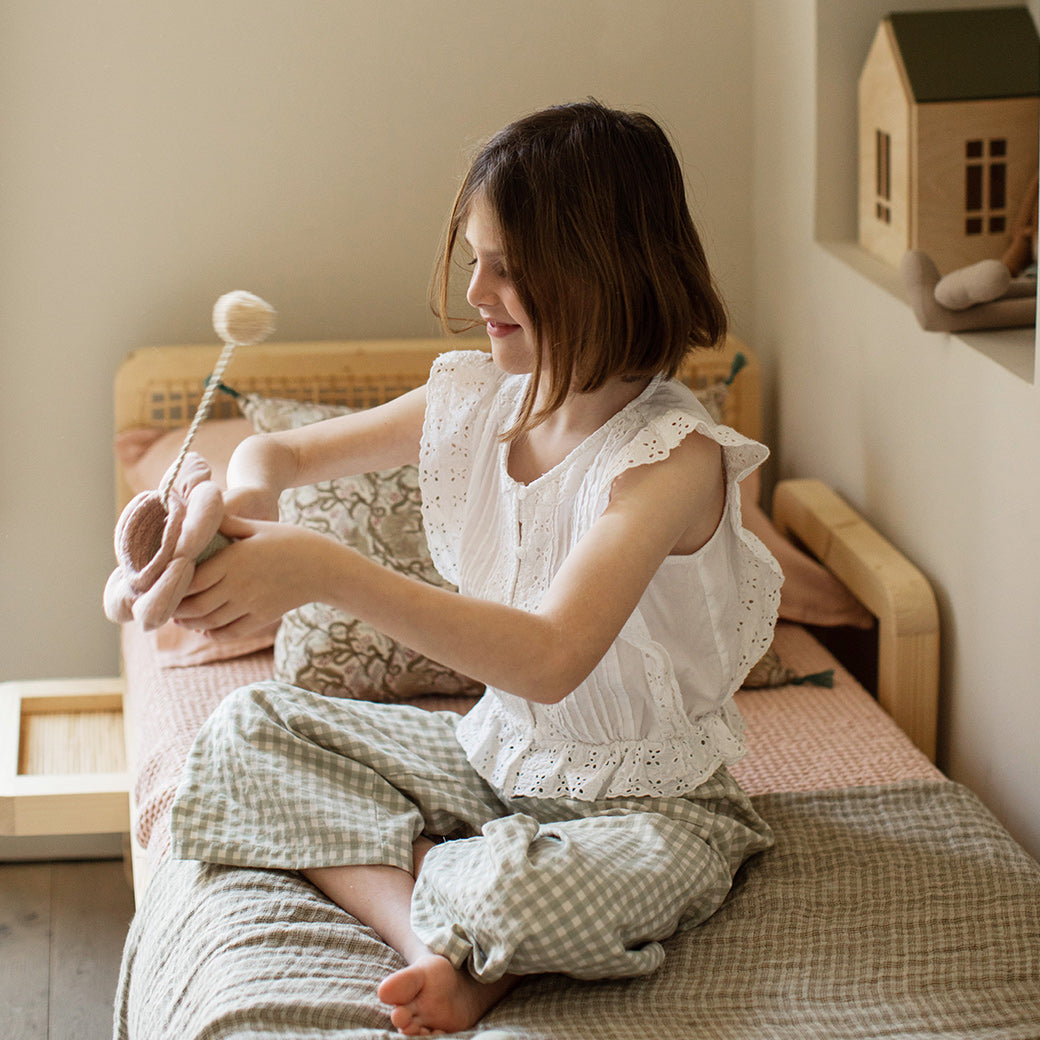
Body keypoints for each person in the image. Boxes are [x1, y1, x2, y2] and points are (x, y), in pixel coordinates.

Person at [170, 100, 782, 1037]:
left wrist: (328, 570)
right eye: (473, 258)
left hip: (654, 806)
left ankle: (470, 909)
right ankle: (431, 936)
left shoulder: (670, 461)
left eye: (508, 267)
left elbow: (547, 658)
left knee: (522, 891)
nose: (475, 291)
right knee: (243, 731)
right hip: (492, 760)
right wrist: (249, 512)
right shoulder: (477, 397)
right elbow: (279, 456)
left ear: (601, 267)